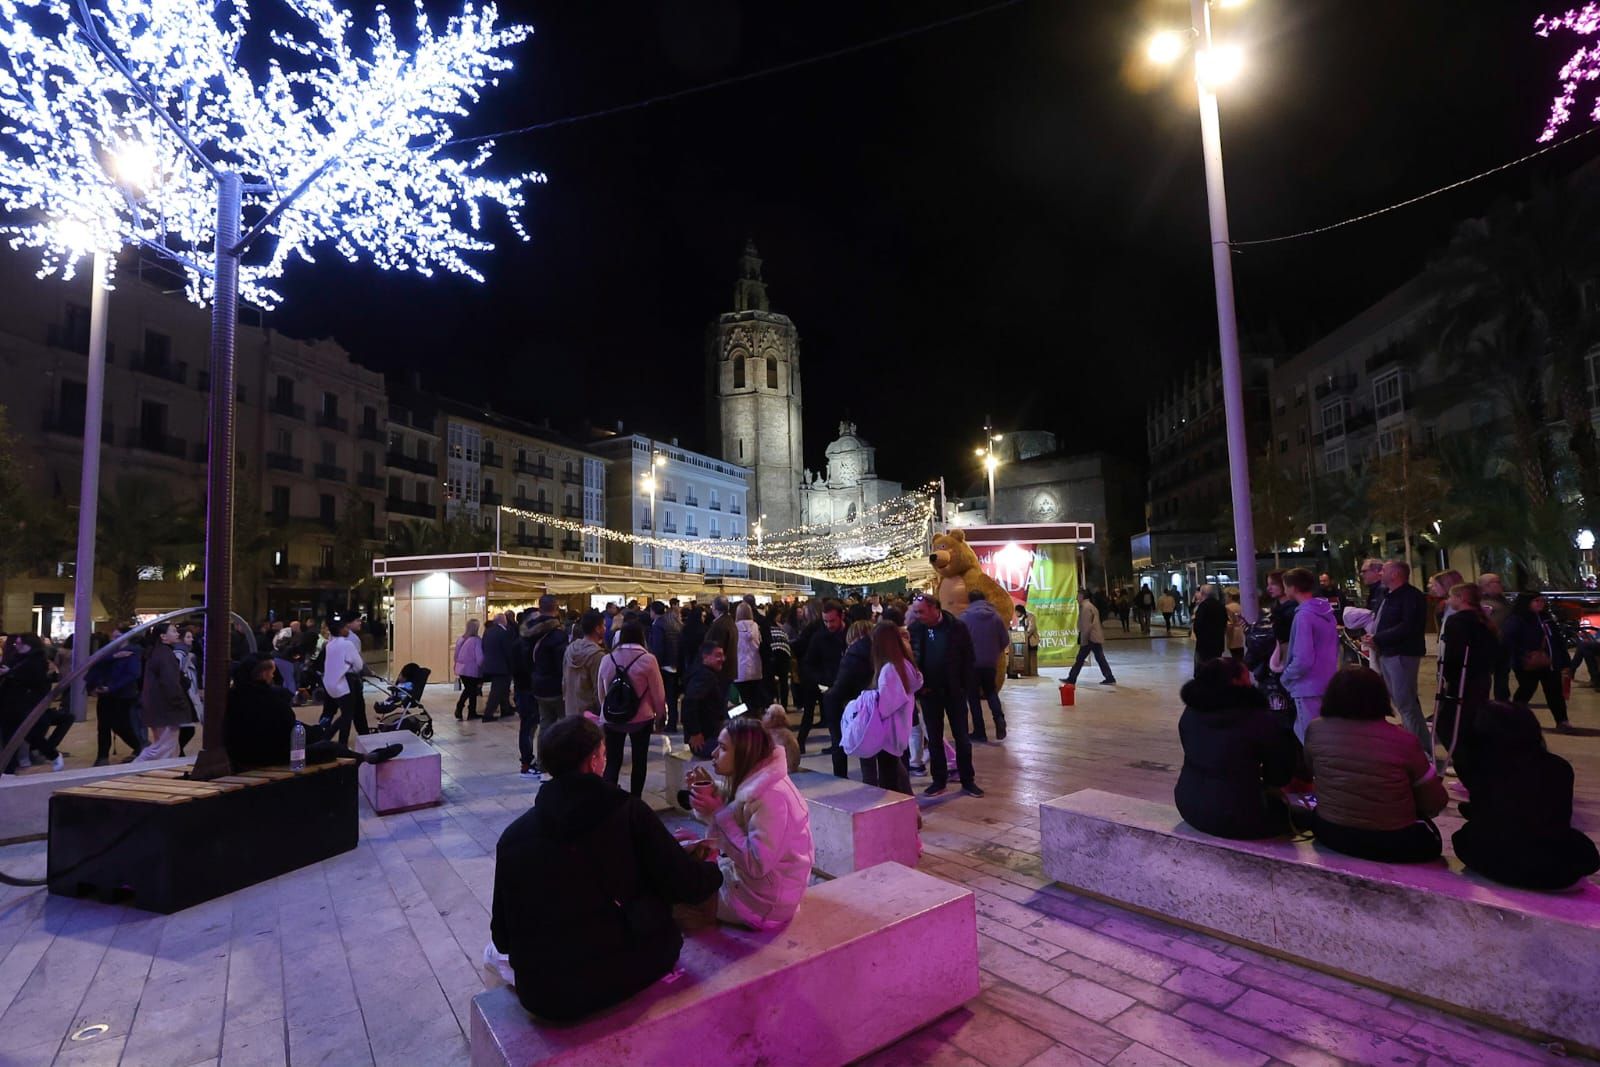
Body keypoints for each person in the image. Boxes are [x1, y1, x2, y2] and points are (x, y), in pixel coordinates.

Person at [490, 715, 723, 1021]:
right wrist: (715, 868)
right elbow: (685, 886)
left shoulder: (513, 838)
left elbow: (502, 938)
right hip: (629, 968)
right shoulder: (628, 813)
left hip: (544, 995)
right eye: (603, 753)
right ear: (593, 762)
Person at [1303, 667, 1447, 863]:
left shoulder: (1315, 729)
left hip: (1330, 831)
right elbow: (1435, 802)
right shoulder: (1404, 740)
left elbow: (1312, 771)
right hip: (1390, 841)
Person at [1450, 702, 1600, 890]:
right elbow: (1559, 818)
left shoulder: (1479, 765)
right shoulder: (1559, 767)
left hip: (1496, 857)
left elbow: (1485, 810)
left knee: (1466, 837)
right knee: (1581, 847)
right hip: (1552, 869)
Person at [689, 717, 814, 929]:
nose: (713, 754)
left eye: (722, 748)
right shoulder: (760, 783)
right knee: (681, 857)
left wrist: (718, 812)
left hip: (763, 905)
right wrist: (713, 794)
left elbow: (757, 864)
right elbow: (740, 808)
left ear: (744, 754)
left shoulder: (773, 798)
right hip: (761, 890)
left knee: (673, 890)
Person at [1175, 657, 1300, 840]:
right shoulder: (1258, 719)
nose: (1251, 680)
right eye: (1246, 676)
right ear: (1235, 681)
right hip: (1237, 815)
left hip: (1188, 804)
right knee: (1297, 817)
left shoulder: (1190, 713)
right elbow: (1280, 775)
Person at [225, 655, 401, 770]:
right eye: (271, 673)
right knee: (326, 747)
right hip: (265, 755)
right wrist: (315, 732)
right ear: (263, 674)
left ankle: (364, 756)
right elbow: (287, 728)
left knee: (318, 737)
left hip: (244, 752)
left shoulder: (234, 695)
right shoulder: (269, 697)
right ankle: (366, 758)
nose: (273, 677)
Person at [907, 593, 984, 798]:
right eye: (915, 611)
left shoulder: (956, 627)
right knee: (934, 738)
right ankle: (938, 780)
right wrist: (918, 685)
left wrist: (964, 687)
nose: (917, 615)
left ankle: (968, 780)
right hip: (928, 692)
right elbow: (912, 658)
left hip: (954, 691)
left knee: (962, 737)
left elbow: (968, 658)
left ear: (935, 608)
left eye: (921, 611)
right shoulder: (916, 629)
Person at [845, 621, 921, 795]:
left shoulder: (889, 670)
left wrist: (868, 700)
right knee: (897, 774)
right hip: (900, 729)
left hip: (888, 733)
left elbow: (886, 706)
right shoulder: (906, 664)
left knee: (890, 783)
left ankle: (898, 818)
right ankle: (909, 813)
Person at [1365, 560, 1430, 757]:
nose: (1380, 573)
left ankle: (1419, 751)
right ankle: (1421, 744)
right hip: (1388, 652)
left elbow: (1408, 626)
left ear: (1395, 574)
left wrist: (1379, 637)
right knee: (1404, 701)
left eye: (1383, 570)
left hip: (1402, 653)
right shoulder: (1389, 596)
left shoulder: (1410, 596)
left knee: (1406, 702)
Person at [1435, 583, 1500, 777]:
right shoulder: (1484, 621)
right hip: (1480, 678)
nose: (1449, 601)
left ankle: (1466, 764)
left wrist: (1446, 676)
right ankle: (1475, 761)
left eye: (1452, 597)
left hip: (1463, 681)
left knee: (1449, 724)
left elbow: (1454, 654)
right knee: (1471, 721)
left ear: (1462, 598)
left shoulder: (1458, 622)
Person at [597, 621, 667, 798]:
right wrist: (661, 716)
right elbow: (658, 692)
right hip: (641, 718)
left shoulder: (607, 658)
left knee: (612, 761)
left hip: (612, 719)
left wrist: (607, 711)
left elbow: (601, 692)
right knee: (639, 760)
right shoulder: (648, 659)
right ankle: (636, 799)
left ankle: (610, 799)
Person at [1500, 591, 1575, 733]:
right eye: (1537, 601)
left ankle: (1562, 721)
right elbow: (1508, 641)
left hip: (1550, 662)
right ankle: (1513, 719)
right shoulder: (1516, 619)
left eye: (1542, 600)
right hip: (1526, 663)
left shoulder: (1547, 619)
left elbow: (1558, 641)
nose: (1541, 604)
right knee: (1526, 690)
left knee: (1554, 692)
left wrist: (1564, 661)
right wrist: (1523, 654)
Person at [1280, 568, 1340, 743]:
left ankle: (1318, 770)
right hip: (1326, 680)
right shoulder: (1326, 613)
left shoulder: (1304, 616)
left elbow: (1302, 658)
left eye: (1285, 586)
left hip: (1306, 685)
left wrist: (1287, 676)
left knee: (1309, 736)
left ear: (1293, 587)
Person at [130, 623, 195, 761]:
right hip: (166, 707)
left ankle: (153, 773)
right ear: (163, 636)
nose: (177, 634)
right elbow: (170, 682)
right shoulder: (165, 655)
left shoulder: (155, 652)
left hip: (157, 706)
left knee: (166, 745)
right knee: (163, 747)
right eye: (173, 631)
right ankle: (137, 767)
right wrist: (179, 702)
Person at [523, 596, 570, 779]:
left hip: (537, 684)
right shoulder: (556, 634)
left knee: (545, 725)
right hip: (555, 685)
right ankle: (564, 762)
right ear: (556, 609)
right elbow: (561, 663)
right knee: (565, 725)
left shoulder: (527, 632)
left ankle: (543, 763)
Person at [822, 619, 875, 778]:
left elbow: (842, 686)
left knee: (839, 743)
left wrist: (829, 695)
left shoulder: (853, 654)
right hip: (872, 705)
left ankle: (841, 778)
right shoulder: (878, 652)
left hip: (850, 705)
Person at [87, 627, 144, 765]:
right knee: (104, 726)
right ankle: (102, 756)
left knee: (121, 725)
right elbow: (95, 664)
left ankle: (139, 747)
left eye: (117, 636)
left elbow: (132, 674)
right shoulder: (109, 653)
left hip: (123, 695)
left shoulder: (132, 653)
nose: (114, 639)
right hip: (106, 693)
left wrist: (111, 687)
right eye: (113, 636)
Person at [795, 601, 846, 753]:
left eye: (832, 621)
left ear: (841, 616)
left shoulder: (849, 633)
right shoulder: (819, 636)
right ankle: (800, 744)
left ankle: (838, 745)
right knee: (810, 714)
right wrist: (820, 679)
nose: (829, 625)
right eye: (825, 621)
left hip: (840, 683)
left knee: (837, 719)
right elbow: (809, 662)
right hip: (818, 682)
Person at [962, 590, 1009, 742]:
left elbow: (958, 642)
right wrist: (994, 651)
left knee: (973, 698)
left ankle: (980, 732)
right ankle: (999, 718)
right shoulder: (996, 617)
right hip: (990, 663)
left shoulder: (964, 618)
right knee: (991, 692)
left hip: (970, 664)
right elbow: (1005, 640)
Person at [0, 633, 52, 772]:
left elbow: (36, 682)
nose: (17, 646)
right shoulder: (16, 659)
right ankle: (9, 767)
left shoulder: (36, 662)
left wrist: (10, 673)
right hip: (9, 704)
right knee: (10, 736)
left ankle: (50, 754)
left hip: (22, 705)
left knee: (25, 734)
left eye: (20, 644)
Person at [318, 615, 370, 748]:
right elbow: (358, 665)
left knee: (337, 713)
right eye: (346, 628)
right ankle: (341, 744)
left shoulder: (329, 644)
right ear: (340, 630)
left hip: (329, 683)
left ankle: (326, 736)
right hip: (343, 684)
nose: (348, 630)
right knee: (347, 716)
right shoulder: (347, 644)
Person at [681, 642, 731, 759]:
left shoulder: (704, 673)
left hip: (709, 735)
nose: (722, 659)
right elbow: (689, 702)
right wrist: (695, 732)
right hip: (705, 740)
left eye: (723, 655)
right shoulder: (704, 676)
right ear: (705, 656)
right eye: (718, 655)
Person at [1064, 588, 1115, 687]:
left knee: (1080, 659)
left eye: (1078, 596)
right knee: (1100, 658)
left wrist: (1084, 640)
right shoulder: (1089, 606)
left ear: (1082, 596)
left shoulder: (1086, 608)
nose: (1076, 598)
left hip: (1090, 637)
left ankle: (1072, 678)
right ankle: (1109, 677)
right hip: (1094, 637)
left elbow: (1086, 626)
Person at [562, 610, 606, 719]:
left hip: (571, 709)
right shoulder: (597, 655)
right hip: (589, 714)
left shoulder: (570, 649)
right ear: (597, 628)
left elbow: (564, 680)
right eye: (603, 625)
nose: (605, 628)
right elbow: (598, 690)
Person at [648, 602, 683, 732]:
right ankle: (672, 722)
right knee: (672, 697)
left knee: (660, 696)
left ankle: (661, 723)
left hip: (664, 666)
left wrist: (655, 664)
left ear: (653, 611)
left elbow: (658, 647)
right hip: (675, 664)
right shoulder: (674, 621)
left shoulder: (658, 625)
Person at [1478, 573, 1513, 700]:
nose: (1500, 585)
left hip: (1503, 645)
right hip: (1487, 646)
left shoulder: (1503, 600)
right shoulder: (1480, 601)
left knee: (1503, 677)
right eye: (1496, 582)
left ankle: (1502, 704)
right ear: (1485, 586)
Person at [478, 611, 514, 722]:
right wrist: (512, 664)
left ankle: (505, 709)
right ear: (503, 621)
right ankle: (488, 714)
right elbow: (508, 650)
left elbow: (483, 647)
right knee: (497, 690)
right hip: (501, 666)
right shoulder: (503, 633)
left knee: (502, 689)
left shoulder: (488, 632)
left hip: (490, 664)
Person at [733, 602, 768, 710]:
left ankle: (745, 719)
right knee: (755, 696)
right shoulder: (756, 626)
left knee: (744, 698)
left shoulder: (734, 628)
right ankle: (756, 718)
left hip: (740, 667)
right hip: (756, 666)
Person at [1191, 584, 1228, 674]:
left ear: (1202, 593)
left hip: (1204, 643)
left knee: (1203, 666)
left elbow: (1198, 625)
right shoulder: (1220, 606)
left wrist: (1199, 636)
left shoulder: (1203, 606)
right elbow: (1224, 623)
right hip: (1218, 642)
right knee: (1216, 665)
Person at [704, 595, 738, 689]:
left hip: (720, 672)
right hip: (729, 669)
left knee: (719, 699)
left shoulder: (719, 625)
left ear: (715, 608)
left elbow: (714, 648)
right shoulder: (730, 622)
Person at [453, 619, 483, 721]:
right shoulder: (476, 640)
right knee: (471, 690)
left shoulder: (461, 639)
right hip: (472, 669)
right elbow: (480, 657)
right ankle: (465, 709)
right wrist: (483, 667)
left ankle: (469, 710)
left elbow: (456, 655)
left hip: (461, 669)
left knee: (469, 689)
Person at [762, 703, 801, 773]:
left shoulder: (777, 735)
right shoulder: (786, 733)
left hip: (785, 768)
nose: (764, 716)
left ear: (773, 718)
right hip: (791, 766)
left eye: (767, 713)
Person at [767, 608, 792, 709]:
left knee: (771, 681)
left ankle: (773, 703)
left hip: (772, 654)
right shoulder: (781, 628)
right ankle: (784, 705)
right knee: (784, 682)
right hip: (784, 654)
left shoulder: (766, 627)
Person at [1014, 603, 1039, 674]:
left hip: (1031, 640)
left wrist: (1025, 635)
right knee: (1025, 656)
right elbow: (1019, 628)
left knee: (1032, 656)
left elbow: (1032, 628)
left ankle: (1033, 673)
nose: (1015, 614)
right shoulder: (1020, 619)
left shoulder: (1031, 616)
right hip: (1023, 641)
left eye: (1016, 612)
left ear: (1020, 611)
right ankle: (1026, 672)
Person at [1224, 593, 1247, 662]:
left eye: (1226, 596)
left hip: (1233, 634)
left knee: (1235, 656)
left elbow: (1229, 622)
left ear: (1230, 597)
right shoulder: (1240, 606)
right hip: (1241, 631)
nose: (1225, 598)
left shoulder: (1228, 607)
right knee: (1240, 655)